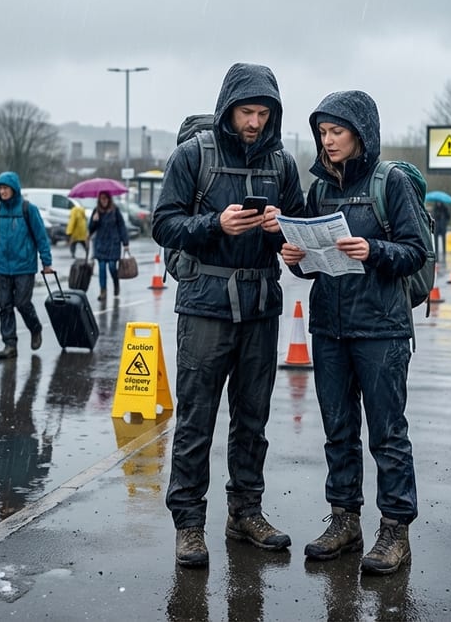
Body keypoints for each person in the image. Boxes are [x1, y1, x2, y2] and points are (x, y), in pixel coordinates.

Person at [152, 62, 305, 569]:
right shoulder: (192, 156)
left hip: (261, 306)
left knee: (253, 421)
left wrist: (281, 232)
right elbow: (164, 225)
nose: (255, 122)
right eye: (247, 111)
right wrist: (215, 224)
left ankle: (246, 512)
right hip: (204, 306)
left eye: (263, 113)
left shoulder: (282, 164)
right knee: (196, 420)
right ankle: (189, 524)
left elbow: (301, 233)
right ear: (228, 109)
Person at [280, 90, 429, 576]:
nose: (328, 141)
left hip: (381, 329)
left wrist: (374, 250)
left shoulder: (391, 184)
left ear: (361, 134)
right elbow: (311, 260)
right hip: (328, 328)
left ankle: (395, 530)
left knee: (387, 434)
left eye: (337, 132)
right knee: (338, 432)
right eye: (323, 133)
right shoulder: (319, 189)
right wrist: (296, 260)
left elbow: (415, 252)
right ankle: (344, 520)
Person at [0, 171, 53, 360]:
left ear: (14, 189)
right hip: (2, 267)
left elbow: (41, 237)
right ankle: (10, 344)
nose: (2, 191)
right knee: (5, 306)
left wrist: (46, 262)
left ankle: (35, 328)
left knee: (22, 303)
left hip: (24, 267)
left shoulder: (28, 209)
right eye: (0, 188)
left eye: (6, 188)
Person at [87, 190, 129, 302]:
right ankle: (103, 291)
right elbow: (90, 229)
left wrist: (125, 243)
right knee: (101, 268)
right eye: (102, 199)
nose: (104, 201)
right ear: (99, 200)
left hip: (113, 244)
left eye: (105, 198)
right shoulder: (96, 211)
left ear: (109, 199)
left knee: (111, 266)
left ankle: (116, 283)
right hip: (100, 243)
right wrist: (94, 221)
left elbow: (122, 226)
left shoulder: (115, 210)